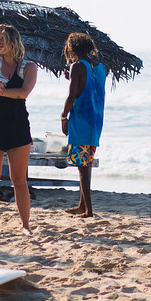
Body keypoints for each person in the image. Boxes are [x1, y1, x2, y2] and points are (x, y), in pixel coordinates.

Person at [0, 23, 37, 237]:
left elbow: (23, 93)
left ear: (14, 40)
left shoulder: (29, 67)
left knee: (19, 179)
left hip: (18, 124)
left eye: (3, 38)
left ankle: (25, 225)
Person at [59, 32, 107, 218]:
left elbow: (72, 97)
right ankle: (81, 205)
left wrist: (64, 117)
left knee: (82, 166)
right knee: (85, 163)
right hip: (96, 122)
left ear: (72, 49)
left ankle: (88, 210)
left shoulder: (77, 67)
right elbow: (89, 86)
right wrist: (71, 76)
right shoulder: (102, 67)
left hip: (81, 121)